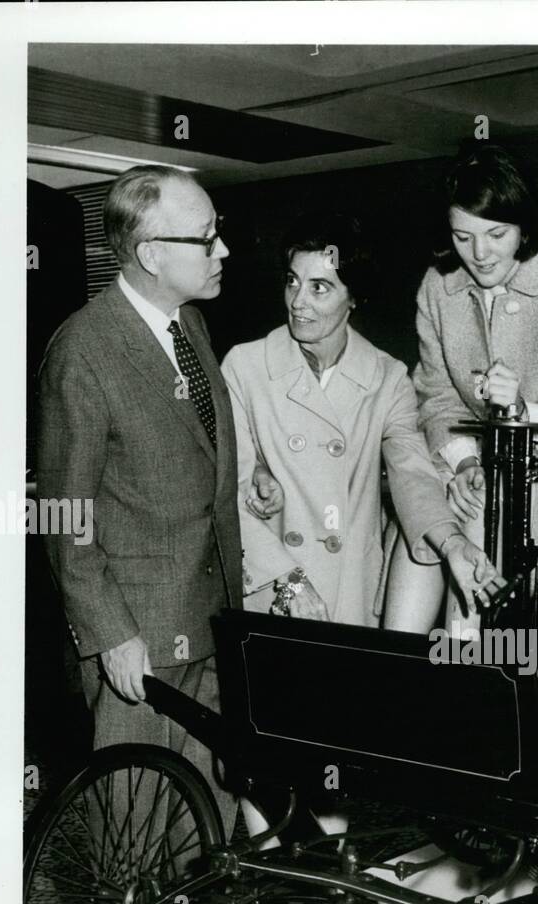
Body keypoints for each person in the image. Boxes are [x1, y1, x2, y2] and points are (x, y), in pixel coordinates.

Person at [37, 164, 242, 833]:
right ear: (153, 254)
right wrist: (111, 636)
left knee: (208, 822)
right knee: (137, 838)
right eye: (206, 239)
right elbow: (64, 514)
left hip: (213, 623)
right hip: (142, 642)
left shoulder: (192, 328)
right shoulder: (84, 351)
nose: (223, 251)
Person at [385, 143, 538, 632]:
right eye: (462, 237)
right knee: (428, 519)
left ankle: (466, 666)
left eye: (496, 234)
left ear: (524, 226)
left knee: (479, 540)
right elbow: (435, 396)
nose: (479, 254)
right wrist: (464, 463)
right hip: (467, 465)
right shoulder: (438, 287)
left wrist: (523, 412)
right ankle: (398, 671)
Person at [227, 212, 500, 630]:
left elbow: (412, 473)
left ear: (354, 297)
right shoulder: (244, 367)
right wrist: (289, 582)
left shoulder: (386, 377)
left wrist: (453, 544)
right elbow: (231, 491)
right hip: (273, 588)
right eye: (293, 281)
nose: (298, 301)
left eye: (320, 287)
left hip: (350, 591)